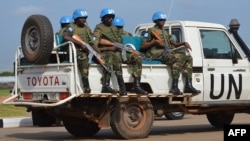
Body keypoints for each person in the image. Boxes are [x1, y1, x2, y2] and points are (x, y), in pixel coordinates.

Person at [140, 11, 201, 95]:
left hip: (167, 52)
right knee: (178, 58)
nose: (163, 22)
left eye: (164, 20)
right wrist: (154, 42)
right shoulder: (151, 31)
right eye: (161, 20)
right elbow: (142, 46)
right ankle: (174, 87)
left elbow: (174, 44)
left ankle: (188, 85)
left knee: (188, 58)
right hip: (156, 54)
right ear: (156, 21)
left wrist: (183, 43)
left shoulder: (165, 33)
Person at [93, 8, 148, 95]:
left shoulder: (114, 28)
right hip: (107, 53)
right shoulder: (99, 28)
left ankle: (136, 86)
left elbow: (119, 42)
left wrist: (124, 49)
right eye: (108, 17)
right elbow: (94, 45)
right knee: (113, 57)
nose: (111, 19)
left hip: (119, 52)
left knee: (137, 58)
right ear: (103, 18)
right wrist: (109, 48)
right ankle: (116, 86)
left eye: (112, 17)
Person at [60, 8, 100, 94]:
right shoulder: (71, 27)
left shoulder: (87, 28)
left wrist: (99, 53)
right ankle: (86, 86)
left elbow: (91, 43)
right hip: (75, 51)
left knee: (102, 59)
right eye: (82, 18)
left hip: (87, 51)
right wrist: (80, 44)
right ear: (76, 19)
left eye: (85, 18)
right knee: (83, 57)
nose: (84, 20)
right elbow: (66, 37)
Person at [112, 16, 148, 95]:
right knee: (116, 58)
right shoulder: (128, 34)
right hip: (117, 53)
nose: (119, 29)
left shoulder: (124, 34)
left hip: (124, 54)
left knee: (138, 57)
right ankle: (123, 87)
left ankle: (136, 86)